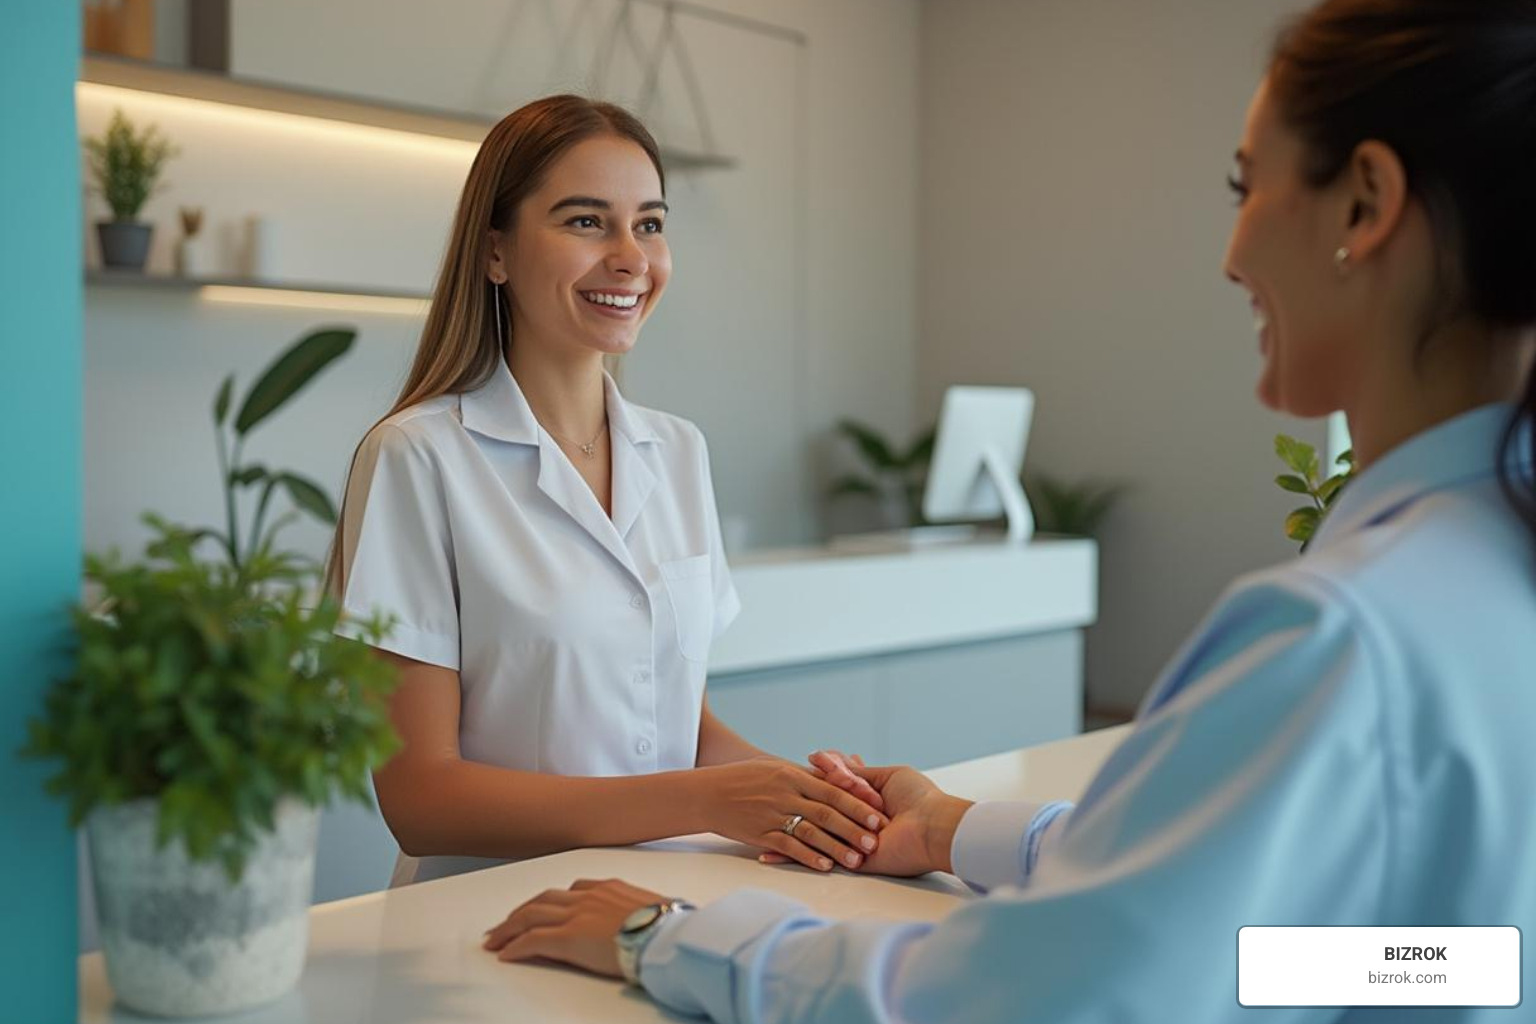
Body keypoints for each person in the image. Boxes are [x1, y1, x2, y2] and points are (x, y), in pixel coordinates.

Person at [481, 2, 1536, 1020]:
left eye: (1243, 185)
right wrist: (953, 830)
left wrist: (662, 937)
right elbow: (1445, 957)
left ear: (1365, 204)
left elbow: (1032, 1000)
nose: (1231, 252)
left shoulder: (1342, 634)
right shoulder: (1492, 577)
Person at [329, 95, 887, 885]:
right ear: (495, 252)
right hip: (489, 923)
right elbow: (422, 798)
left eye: (650, 224)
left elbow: (674, 725)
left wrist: (827, 807)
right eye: (586, 222)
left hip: (669, 904)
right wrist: (707, 800)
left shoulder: (679, 450)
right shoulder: (417, 458)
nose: (631, 258)